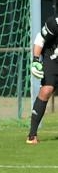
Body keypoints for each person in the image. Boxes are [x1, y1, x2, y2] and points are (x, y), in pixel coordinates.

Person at [28, 14, 58, 144]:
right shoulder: (55, 23)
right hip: (52, 57)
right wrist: (35, 60)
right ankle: (32, 134)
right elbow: (40, 38)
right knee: (46, 90)